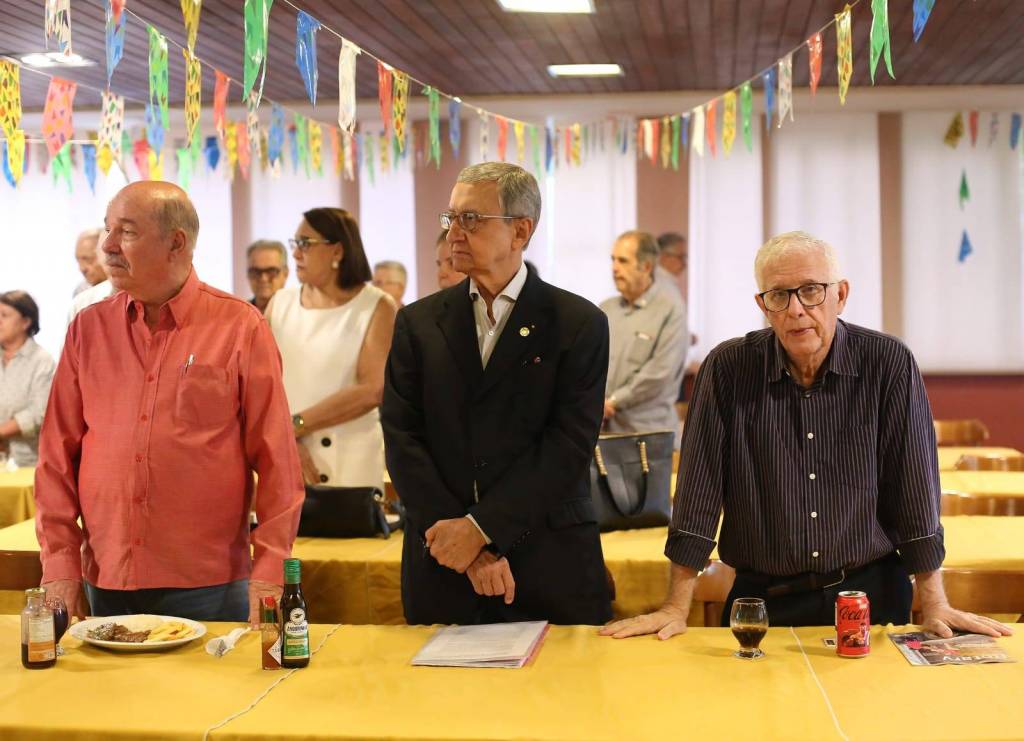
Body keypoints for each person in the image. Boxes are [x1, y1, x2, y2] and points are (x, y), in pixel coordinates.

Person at [601, 231, 1014, 640]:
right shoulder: (727, 369)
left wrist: (935, 602)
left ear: (841, 295)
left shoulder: (888, 363)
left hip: (871, 596)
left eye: (812, 291)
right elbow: (699, 490)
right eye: (779, 295)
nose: (796, 309)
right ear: (763, 306)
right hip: (762, 601)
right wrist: (676, 607)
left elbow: (914, 487)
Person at [35, 182, 304, 625]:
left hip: (209, 585)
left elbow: (279, 462)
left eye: (126, 232)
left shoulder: (240, 326)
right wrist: (60, 565)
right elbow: (55, 458)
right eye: (108, 229)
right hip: (105, 578)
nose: (108, 245)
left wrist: (271, 571)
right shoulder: (88, 328)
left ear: (176, 242)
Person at [382, 162, 612, 626]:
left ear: (520, 231)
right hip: (443, 562)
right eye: (451, 218)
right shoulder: (418, 323)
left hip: (546, 559)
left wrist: (481, 530)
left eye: (471, 219)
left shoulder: (577, 323)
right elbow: (402, 438)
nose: (454, 233)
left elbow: (567, 446)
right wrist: (463, 545)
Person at [267, 208, 396, 492]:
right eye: (294, 243)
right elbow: (261, 384)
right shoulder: (280, 304)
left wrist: (294, 426)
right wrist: (286, 436)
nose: (295, 253)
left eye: (305, 243)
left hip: (350, 463)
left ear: (337, 251)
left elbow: (372, 389)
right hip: (287, 455)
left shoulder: (376, 306)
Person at [600, 231, 688, 442]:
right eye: (613, 260)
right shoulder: (606, 309)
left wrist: (613, 401)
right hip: (604, 430)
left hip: (648, 436)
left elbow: (660, 373)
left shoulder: (670, 310)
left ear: (646, 267)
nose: (614, 268)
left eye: (623, 261)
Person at [0, 291, 55, 467]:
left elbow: (39, 412)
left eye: (4, 315)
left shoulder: (42, 360)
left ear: (25, 322)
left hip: (28, 462)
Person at [246, 239, 289, 314]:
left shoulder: (298, 314)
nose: (263, 278)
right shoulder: (240, 314)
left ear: (285, 273)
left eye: (271, 271)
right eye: (256, 271)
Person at [655, 232, 688, 304]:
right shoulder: (658, 284)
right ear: (664, 257)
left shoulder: (666, 282)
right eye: (680, 257)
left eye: (685, 257)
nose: (685, 264)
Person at [72, 228, 106, 296]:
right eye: (78, 261)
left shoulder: (124, 287)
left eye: (87, 259)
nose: (82, 269)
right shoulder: (81, 292)